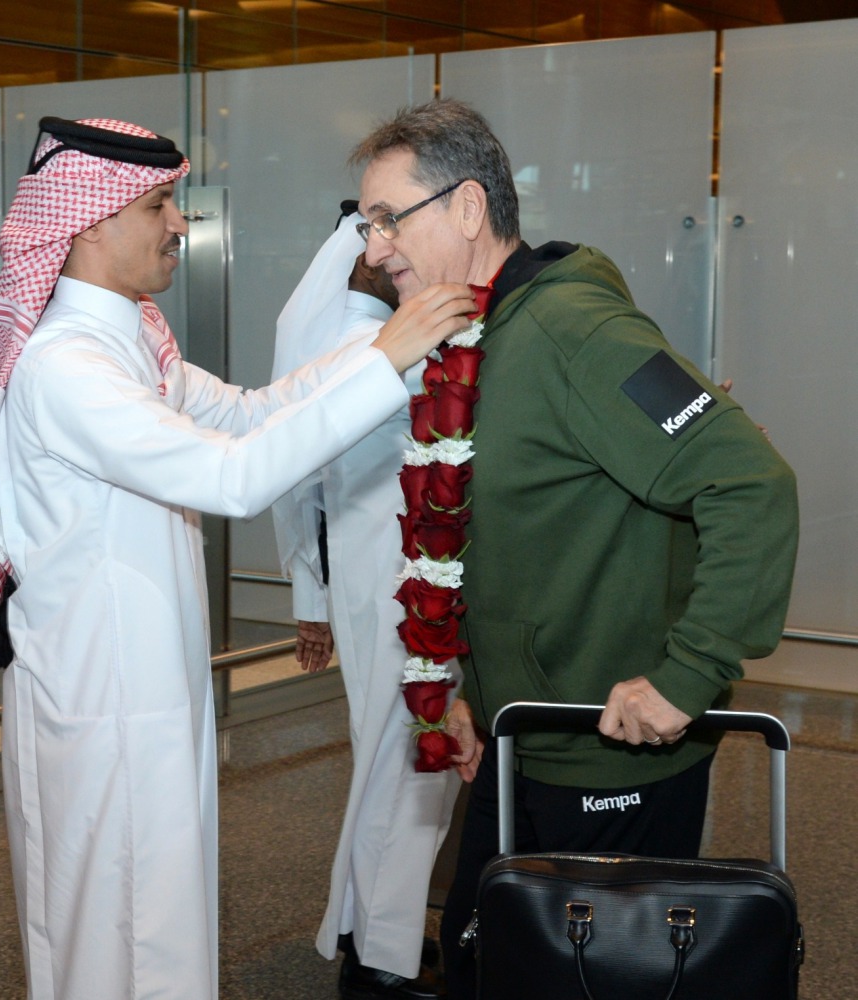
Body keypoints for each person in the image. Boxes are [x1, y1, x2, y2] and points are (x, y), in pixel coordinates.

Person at [0, 116, 476, 1000]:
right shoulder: (66, 364)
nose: (179, 223)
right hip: (98, 697)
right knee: (105, 930)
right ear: (91, 221)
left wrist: (386, 352)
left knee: (158, 917)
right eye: (161, 203)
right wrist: (387, 356)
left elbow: (248, 411)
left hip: (149, 688)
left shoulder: (129, 339)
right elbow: (232, 475)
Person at [348, 98, 800, 999]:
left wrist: (688, 673)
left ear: (468, 209)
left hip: (609, 752)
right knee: (492, 959)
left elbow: (752, 484)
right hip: (527, 740)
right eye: (368, 226)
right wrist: (463, 692)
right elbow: (499, 533)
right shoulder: (472, 337)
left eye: (387, 219)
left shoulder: (575, 332)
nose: (372, 249)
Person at [271, 209, 460, 1000]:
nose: (398, 253)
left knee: (390, 756)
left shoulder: (366, 336)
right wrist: (308, 597)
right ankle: (381, 956)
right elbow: (293, 481)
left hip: (378, 577)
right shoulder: (369, 349)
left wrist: (309, 596)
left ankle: (364, 927)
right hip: (394, 581)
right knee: (411, 759)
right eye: (383, 242)